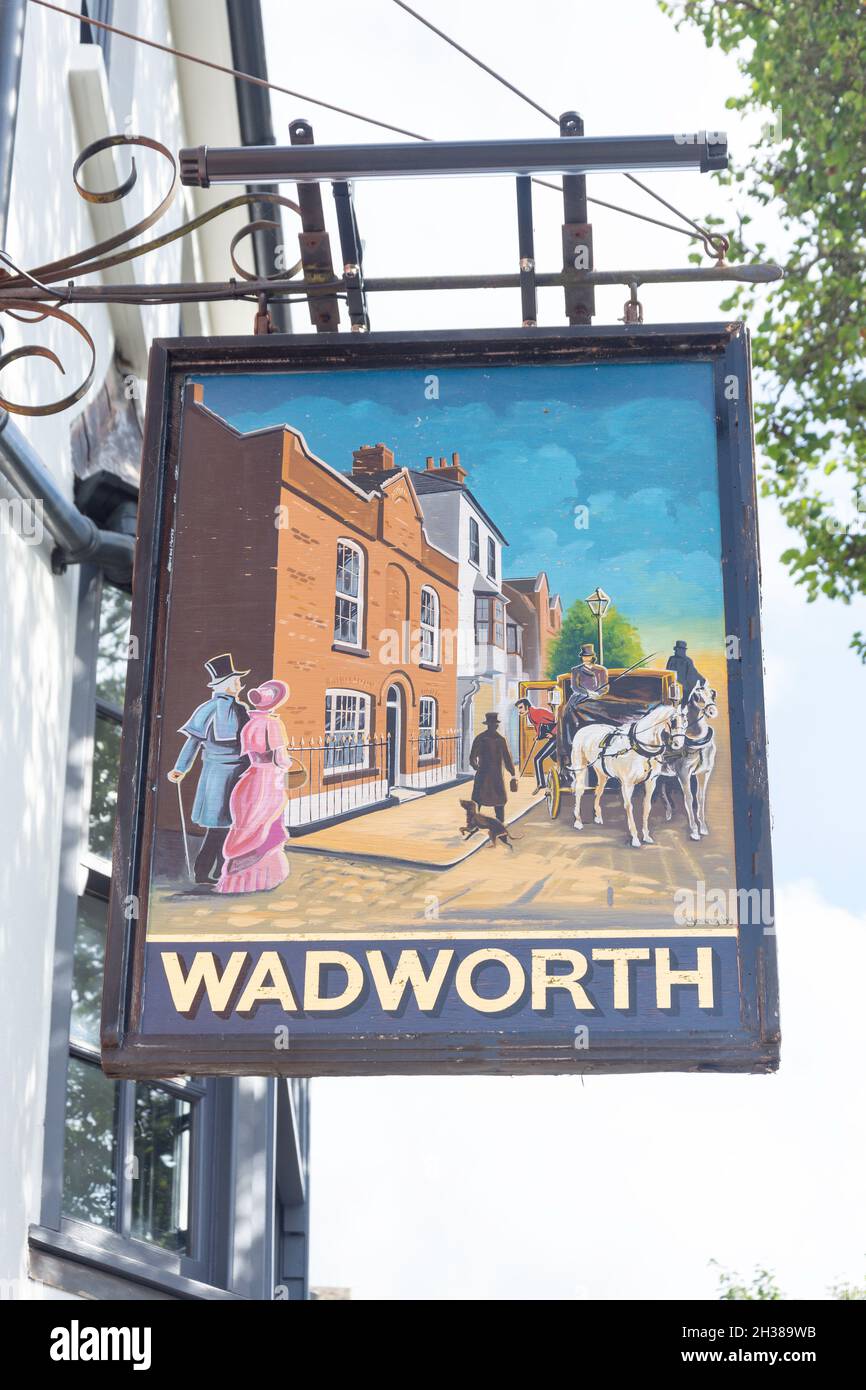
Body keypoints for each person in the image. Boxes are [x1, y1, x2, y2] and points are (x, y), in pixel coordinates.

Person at [168, 653, 250, 884]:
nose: (240, 685)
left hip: (239, 772)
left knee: (230, 825)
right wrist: (180, 768)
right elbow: (193, 741)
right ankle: (204, 871)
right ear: (225, 684)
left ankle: (217, 871)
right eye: (236, 681)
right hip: (216, 772)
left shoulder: (242, 708)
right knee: (218, 825)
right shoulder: (208, 709)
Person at [216, 679, 298, 895]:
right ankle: (265, 878)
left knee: (248, 824)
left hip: (251, 778)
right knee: (267, 824)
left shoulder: (250, 723)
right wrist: (289, 763)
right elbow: (281, 759)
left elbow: (251, 753)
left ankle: (236, 880)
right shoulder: (273, 724)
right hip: (269, 779)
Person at [468, 711, 516, 821]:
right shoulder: (499, 740)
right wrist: (512, 773)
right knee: (495, 800)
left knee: (479, 799)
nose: (493, 727)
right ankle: (499, 822)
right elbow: (507, 759)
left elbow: (472, 758)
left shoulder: (482, 738)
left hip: (487, 774)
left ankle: (475, 821)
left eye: (493, 725)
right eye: (492, 725)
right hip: (493, 775)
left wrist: (476, 767)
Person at [515, 696, 557, 793]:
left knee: (537, 759)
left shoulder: (537, 712)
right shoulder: (531, 715)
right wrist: (538, 736)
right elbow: (539, 726)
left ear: (527, 706)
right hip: (553, 738)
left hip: (557, 738)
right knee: (554, 756)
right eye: (518, 709)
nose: (520, 711)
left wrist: (553, 733)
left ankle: (541, 784)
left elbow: (558, 720)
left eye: (521, 707)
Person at [666, 640, 704, 705]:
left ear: (682, 650)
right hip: (681, 688)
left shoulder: (686, 660)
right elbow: (668, 671)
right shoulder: (673, 659)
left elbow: (693, 673)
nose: (676, 651)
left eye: (678, 649)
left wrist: (702, 680)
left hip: (675, 687)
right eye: (676, 649)